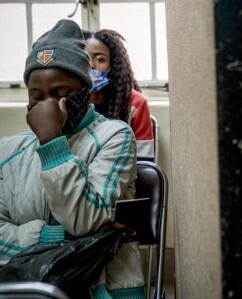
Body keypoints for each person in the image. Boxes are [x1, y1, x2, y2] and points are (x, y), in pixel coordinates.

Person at [0, 19, 145, 298]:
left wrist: (52, 141)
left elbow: (83, 220)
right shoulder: (9, 152)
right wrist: (53, 237)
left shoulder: (114, 137)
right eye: (37, 96)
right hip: (31, 289)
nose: (47, 106)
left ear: (84, 90)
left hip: (103, 290)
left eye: (59, 94)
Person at [83, 29, 154, 161]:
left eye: (100, 59)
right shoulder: (67, 100)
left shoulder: (135, 103)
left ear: (112, 65)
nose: (92, 65)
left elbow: (144, 162)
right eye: (85, 58)